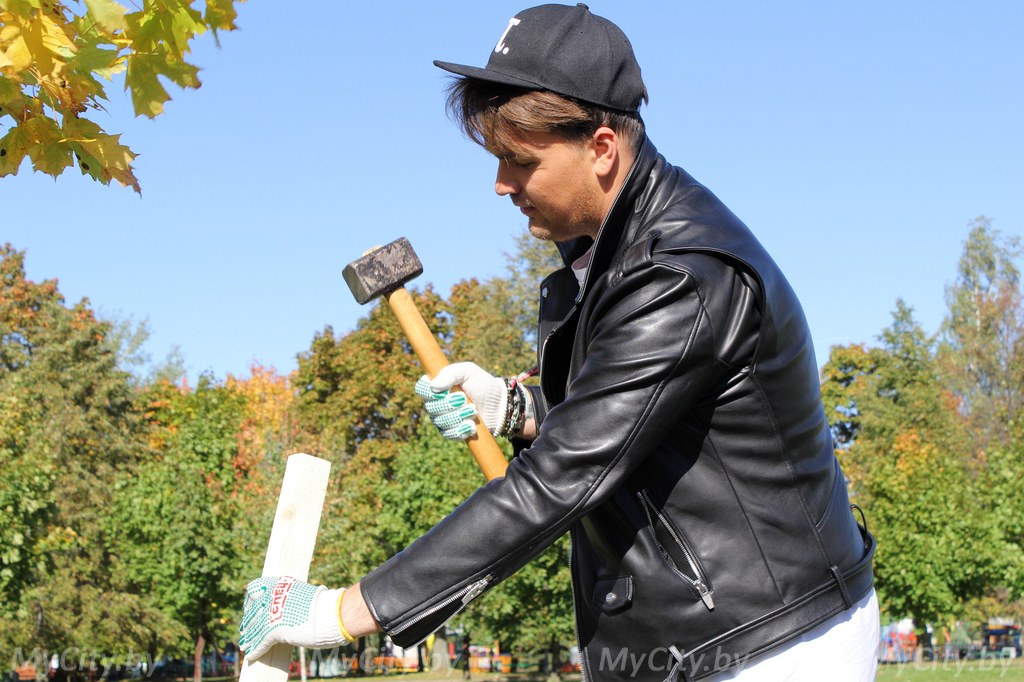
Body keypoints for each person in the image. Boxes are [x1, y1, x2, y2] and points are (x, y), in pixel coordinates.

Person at [238, 4, 879, 680]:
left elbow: (559, 478)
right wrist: (514, 408)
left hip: (771, 641)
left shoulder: (680, 275)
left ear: (601, 148)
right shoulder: (610, 253)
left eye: (520, 161)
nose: (501, 185)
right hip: (699, 638)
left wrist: (343, 611)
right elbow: (632, 415)